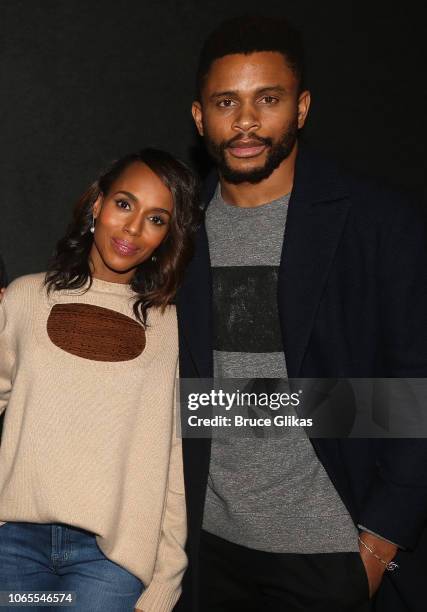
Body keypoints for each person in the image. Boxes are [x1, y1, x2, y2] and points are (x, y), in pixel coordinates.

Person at [175, 15, 427, 612]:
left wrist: (380, 545)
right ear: (198, 116)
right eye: (225, 102)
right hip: (203, 555)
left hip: (332, 558)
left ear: (303, 107)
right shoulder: (178, 228)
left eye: (268, 99)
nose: (244, 122)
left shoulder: (377, 223)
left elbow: (416, 383)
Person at [0, 148, 199, 612]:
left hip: (110, 562)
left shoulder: (171, 327)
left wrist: (167, 578)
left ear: (168, 236)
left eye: (156, 219)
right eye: (125, 204)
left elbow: (174, 458)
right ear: (97, 205)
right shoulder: (27, 298)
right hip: (13, 549)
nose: (132, 228)